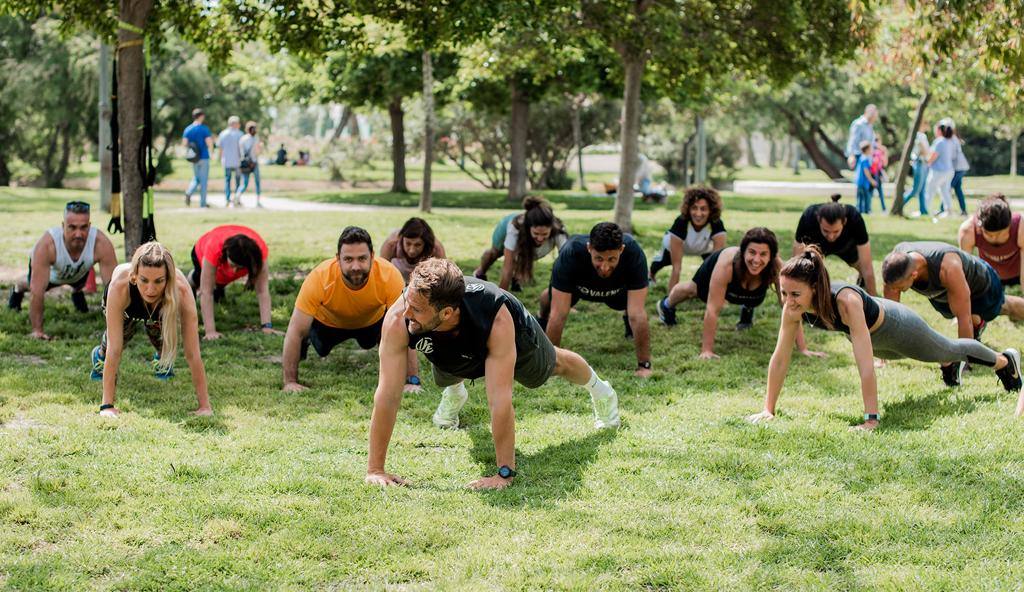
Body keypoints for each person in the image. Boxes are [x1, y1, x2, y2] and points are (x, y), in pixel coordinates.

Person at [365, 258, 620, 490]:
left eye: (417, 309)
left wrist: (504, 473)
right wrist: (375, 469)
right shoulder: (401, 316)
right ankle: (455, 393)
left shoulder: (496, 316)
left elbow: (499, 400)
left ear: (446, 312)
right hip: (449, 340)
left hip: (512, 336)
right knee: (446, 369)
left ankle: (602, 391)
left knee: (553, 365)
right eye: (408, 301)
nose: (406, 313)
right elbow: (387, 394)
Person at [747, 246, 1023, 432]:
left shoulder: (846, 301)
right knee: (941, 353)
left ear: (816, 288)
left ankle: (1003, 361)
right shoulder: (793, 307)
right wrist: (768, 409)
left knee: (947, 347)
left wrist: (871, 419)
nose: (788, 301)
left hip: (899, 327)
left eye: (794, 294)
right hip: (880, 342)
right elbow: (781, 357)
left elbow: (865, 364)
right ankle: (947, 364)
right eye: (784, 293)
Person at [280, 227, 418, 392]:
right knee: (313, 341)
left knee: (396, 326)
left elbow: (406, 328)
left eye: (362, 258)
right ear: (338, 259)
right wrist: (290, 382)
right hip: (328, 325)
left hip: (371, 324)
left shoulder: (389, 275)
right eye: (348, 259)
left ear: (372, 256)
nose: (355, 266)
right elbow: (294, 330)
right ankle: (308, 344)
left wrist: (412, 380)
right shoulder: (320, 277)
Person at [89, 242, 213, 418]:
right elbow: (115, 349)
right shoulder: (120, 287)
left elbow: (193, 353)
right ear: (134, 277)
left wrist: (204, 406)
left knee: (162, 336)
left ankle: (160, 358)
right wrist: (107, 406)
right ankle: (98, 356)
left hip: (161, 310)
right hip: (127, 308)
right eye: (144, 280)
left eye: (159, 281)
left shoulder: (182, 292)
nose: (151, 289)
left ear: (168, 279)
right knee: (119, 338)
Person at [657, 227, 821, 358]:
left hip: (751, 288)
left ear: (771, 256)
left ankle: (747, 311)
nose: (756, 260)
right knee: (692, 290)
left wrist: (803, 349)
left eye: (763, 254)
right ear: (743, 251)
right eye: (752, 252)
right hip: (718, 270)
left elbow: (790, 307)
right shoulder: (727, 264)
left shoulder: (778, 268)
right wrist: (707, 350)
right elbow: (713, 309)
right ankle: (666, 305)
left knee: (753, 296)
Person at [538, 222, 652, 377]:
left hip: (618, 291)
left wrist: (644, 366)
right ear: (589, 248)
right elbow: (559, 314)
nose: (605, 266)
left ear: (621, 250)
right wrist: (551, 365)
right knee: (548, 299)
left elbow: (638, 314)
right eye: (599, 258)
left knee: (634, 313)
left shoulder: (634, 253)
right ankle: (540, 321)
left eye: (612, 259)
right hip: (578, 287)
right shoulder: (571, 253)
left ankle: (628, 325)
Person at [7, 200, 118, 340]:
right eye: (72, 227)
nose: (78, 234)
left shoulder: (101, 243)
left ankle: (77, 292)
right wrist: (37, 330)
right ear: (63, 226)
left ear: (89, 226)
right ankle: (17, 289)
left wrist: (118, 329)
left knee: (79, 284)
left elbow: (114, 288)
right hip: (53, 276)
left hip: (79, 274)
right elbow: (37, 292)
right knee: (29, 285)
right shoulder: (47, 245)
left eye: (83, 228)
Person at [882, 241, 1024, 341]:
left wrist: (965, 362)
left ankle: (978, 321)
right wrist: (883, 356)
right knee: (963, 312)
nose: (894, 291)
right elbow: (892, 316)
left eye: (898, 288)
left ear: (914, 275)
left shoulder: (947, 267)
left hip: (983, 285)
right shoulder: (896, 264)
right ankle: (977, 322)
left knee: (1004, 307)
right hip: (947, 293)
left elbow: (963, 318)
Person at [186, 225, 276, 341]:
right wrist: (210, 331)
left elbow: (263, 290)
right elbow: (206, 293)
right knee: (204, 282)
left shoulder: (259, 253)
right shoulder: (213, 248)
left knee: (221, 281)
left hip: (224, 263)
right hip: (201, 252)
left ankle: (219, 288)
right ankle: (191, 280)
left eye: (239, 268)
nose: (233, 272)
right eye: (233, 265)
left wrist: (267, 327)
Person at [473, 197, 568, 292]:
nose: (540, 238)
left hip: (525, 242)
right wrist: (501, 298)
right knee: (495, 253)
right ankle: (480, 272)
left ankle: (516, 279)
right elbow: (507, 267)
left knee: (523, 256)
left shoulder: (559, 231)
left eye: (545, 234)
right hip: (505, 228)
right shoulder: (515, 226)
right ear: (529, 227)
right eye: (536, 233)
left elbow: (567, 262)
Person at [793, 194, 878, 295]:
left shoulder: (854, 218)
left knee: (861, 267)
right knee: (806, 270)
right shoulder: (808, 217)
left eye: (836, 231)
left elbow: (867, 267)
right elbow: (796, 262)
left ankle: (862, 282)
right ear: (818, 220)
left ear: (844, 222)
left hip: (846, 245)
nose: (831, 236)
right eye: (826, 230)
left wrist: (874, 301)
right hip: (816, 245)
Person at [648, 186, 727, 291]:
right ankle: (651, 274)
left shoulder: (716, 223)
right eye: (694, 208)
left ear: (711, 210)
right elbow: (677, 268)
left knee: (711, 265)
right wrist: (670, 300)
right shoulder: (681, 221)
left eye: (703, 209)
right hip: (680, 245)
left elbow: (718, 263)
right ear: (688, 209)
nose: (698, 213)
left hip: (703, 247)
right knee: (663, 261)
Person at [958, 194, 1023, 287]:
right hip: (989, 276)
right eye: (990, 235)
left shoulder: (1021, 227)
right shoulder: (968, 231)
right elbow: (965, 272)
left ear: (1010, 224)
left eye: (1003, 234)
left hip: (1018, 272)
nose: (996, 238)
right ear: (980, 228)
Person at [379, 217, 447, 282]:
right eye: (408, 244)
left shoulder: (435, 248)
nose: (412, 250)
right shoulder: (392, 244)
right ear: (402, 239)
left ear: (425, 243)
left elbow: (444, 277)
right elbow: (382, 273)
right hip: (398, 272)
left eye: (417, 245)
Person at [182, 108, 214, 208]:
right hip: (204, 157)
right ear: (201, 116)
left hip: (194, 158)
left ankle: (189, 192)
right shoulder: (204, 129)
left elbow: (184, 143)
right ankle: (203, 203)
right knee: (203, 181)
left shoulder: (188, 129)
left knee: (196, 178)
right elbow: (209, 142)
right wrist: (211, 152)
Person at [925, 120, 956, 220]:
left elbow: (933, 156)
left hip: (939, 171)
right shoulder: (949, 141)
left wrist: (927, 162)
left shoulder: (939, 141)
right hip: (949, 170)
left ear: (939, 130)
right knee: (945, 191)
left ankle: (925, 209)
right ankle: (949, 211)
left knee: (930, 190)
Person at [901, 120, 931, 217]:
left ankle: (923, 211)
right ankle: (899, 204)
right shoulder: (918, 135)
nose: (928, 125)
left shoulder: (923, 136)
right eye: (927, 123)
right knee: (915, 190)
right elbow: (924, 151)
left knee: (922, 190)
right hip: (919, 163)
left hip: (924, 164)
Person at [217, 116, 244, 207]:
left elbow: (220, 148)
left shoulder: (223, 134)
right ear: (235, 124)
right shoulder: (240, 134)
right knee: (237, 181)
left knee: (227, 181)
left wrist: (220, 158)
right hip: (237, 161)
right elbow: (241, 149)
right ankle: (237, 199)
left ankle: (227, 199)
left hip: (227, 161)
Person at [236, 121, 263, 207]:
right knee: (257, 182)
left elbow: (240, 152)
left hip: (245, 163)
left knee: (244, 183)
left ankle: (237, 198)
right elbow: (257, 151)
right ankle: (258, 201)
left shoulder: (242, 139)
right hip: (253, 163)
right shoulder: (255, 139)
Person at [845, 104, 878, 169]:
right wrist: (851, 155)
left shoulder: (870, 125)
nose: (876, 117)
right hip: (859, 158)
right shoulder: (858, 124)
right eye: (874, 115)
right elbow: (852, 140)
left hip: (868, 159)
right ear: (869, 113)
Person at [950, 123, 970, 216]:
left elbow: (952, 155)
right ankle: (963, 210)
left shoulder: (952, 140)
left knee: (948, 188)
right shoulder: (954, 139)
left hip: (958, 168)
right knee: (957, 189)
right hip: (959, 168)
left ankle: (944, 209)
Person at [854, 141, 877, 214]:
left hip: (859, 182)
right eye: (870, 149)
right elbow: (866, 171)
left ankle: (859, 211)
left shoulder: (861, 158)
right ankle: (866, 211)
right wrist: (871, 180)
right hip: (863, 183)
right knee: (866, 198)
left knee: (860, 198)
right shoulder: (865, 159)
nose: (871, 151)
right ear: (867, 150)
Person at [869, 135, 887, 212]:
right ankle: (869, 208)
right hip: (874, 173)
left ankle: (882, 208)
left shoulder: (880, 151)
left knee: (876, 191)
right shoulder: (873, 150)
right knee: (871, 191)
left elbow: (884, 163)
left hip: (877, 173)